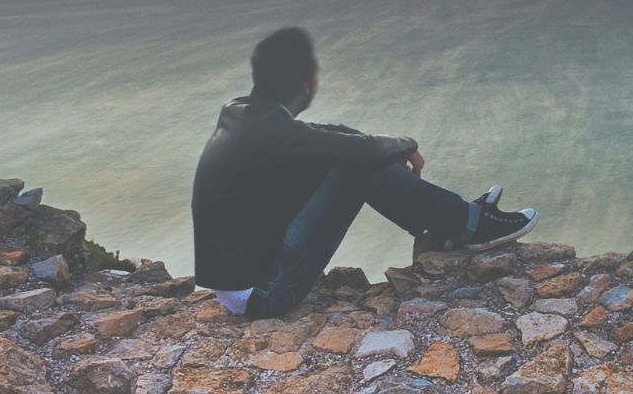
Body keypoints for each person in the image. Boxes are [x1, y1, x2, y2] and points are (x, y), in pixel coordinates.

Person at [191, 27, 536, 318]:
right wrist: (405, 144)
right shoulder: (274, 132)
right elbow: (351, 149)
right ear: (306, 84)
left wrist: (381, 146)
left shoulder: (242, 114)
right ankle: (471, 224)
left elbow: (324, 135)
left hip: (244, 282)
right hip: (265, 294)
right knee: (358, 168)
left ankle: (452, 225)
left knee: (351, 158)